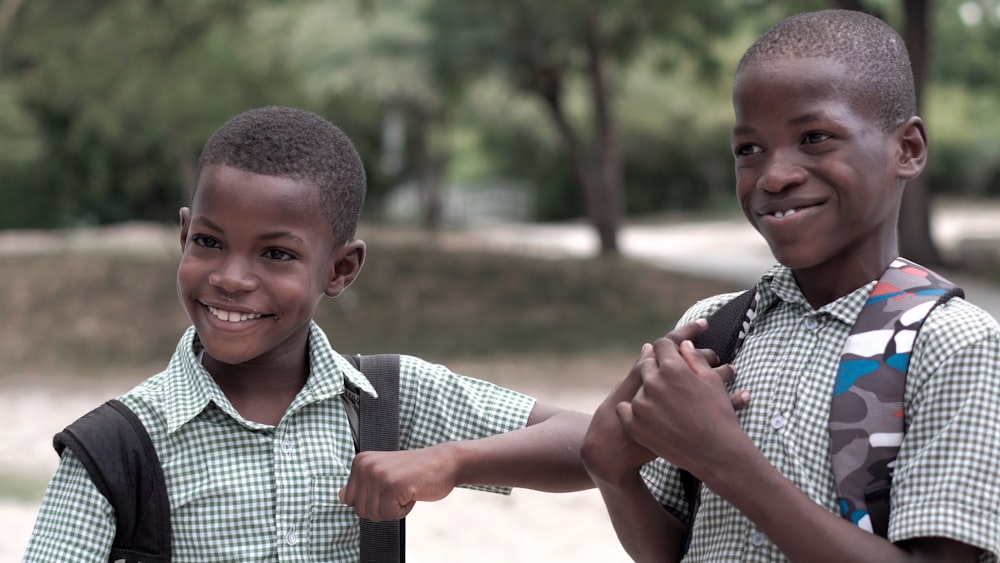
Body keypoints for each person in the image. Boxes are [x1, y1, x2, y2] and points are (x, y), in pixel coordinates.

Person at [23, 105, 599, 562]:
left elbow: (588, 443)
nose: (231, 278)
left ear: (340, 270)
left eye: (276, 253)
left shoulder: (387, 399)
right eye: (209, 241)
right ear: (183, 234)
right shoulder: (115, 448)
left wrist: (451, 462)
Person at [581, 9, 1000, 563]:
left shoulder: (950, 345)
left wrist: (724, 460)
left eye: (815, 137)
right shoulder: (720, 327)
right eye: (749, 149)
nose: (774, 176)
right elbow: (675, 550)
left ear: (908, 150)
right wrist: (614, 475)